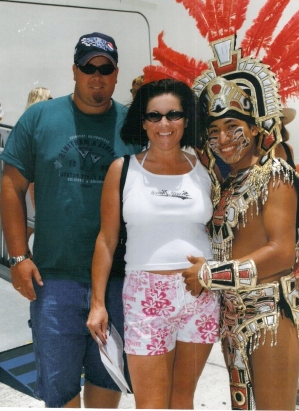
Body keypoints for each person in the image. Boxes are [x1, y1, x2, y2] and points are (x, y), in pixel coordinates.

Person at [0, 32, 140, 408]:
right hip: (54, 276)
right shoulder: (39, 118)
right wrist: (17, 257)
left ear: (116, 73)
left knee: (106, 376)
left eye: (105, 68)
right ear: (74, 71)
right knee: (59, 390)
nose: (97, 76)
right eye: (88, 67)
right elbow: (11, 187)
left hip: (119, 278)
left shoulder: (134, 126)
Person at [181, 36, 299, 410]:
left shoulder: (275, 174)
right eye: (213, 130)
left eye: (233, 126)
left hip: (270, 317)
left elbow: (281, 253)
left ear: (256, 127)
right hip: (232, 318)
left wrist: (211, 275)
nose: (223, 139)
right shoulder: (225, 184)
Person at [87, 78, 220, 409]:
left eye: (173, 115)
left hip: (200, 294)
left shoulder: (204, 168)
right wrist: (98, 303)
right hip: (146, 296)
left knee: (182, 399)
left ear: (186, 120)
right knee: (150, 403)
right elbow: (106, 240)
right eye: (154, 116)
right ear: (142, 122)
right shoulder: (124, 170)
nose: (164, 124)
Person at [24, 87, 52, 242]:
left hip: (34, 177)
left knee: (32, 221)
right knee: (36, 218)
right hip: (36, 178)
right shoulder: (38, 124)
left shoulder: (28, 122)